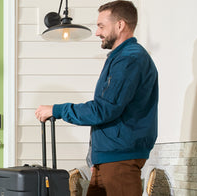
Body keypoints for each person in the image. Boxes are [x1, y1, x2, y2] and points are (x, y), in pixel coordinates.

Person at [34, 1, 158, 195]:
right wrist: (96, 159)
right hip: (109, 159)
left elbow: (103, 109)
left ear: (120, 25)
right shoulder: (120, 58)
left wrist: (57, 110)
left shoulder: (129, 59)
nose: (97, 32)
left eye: (101, 26)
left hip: (119, 161)